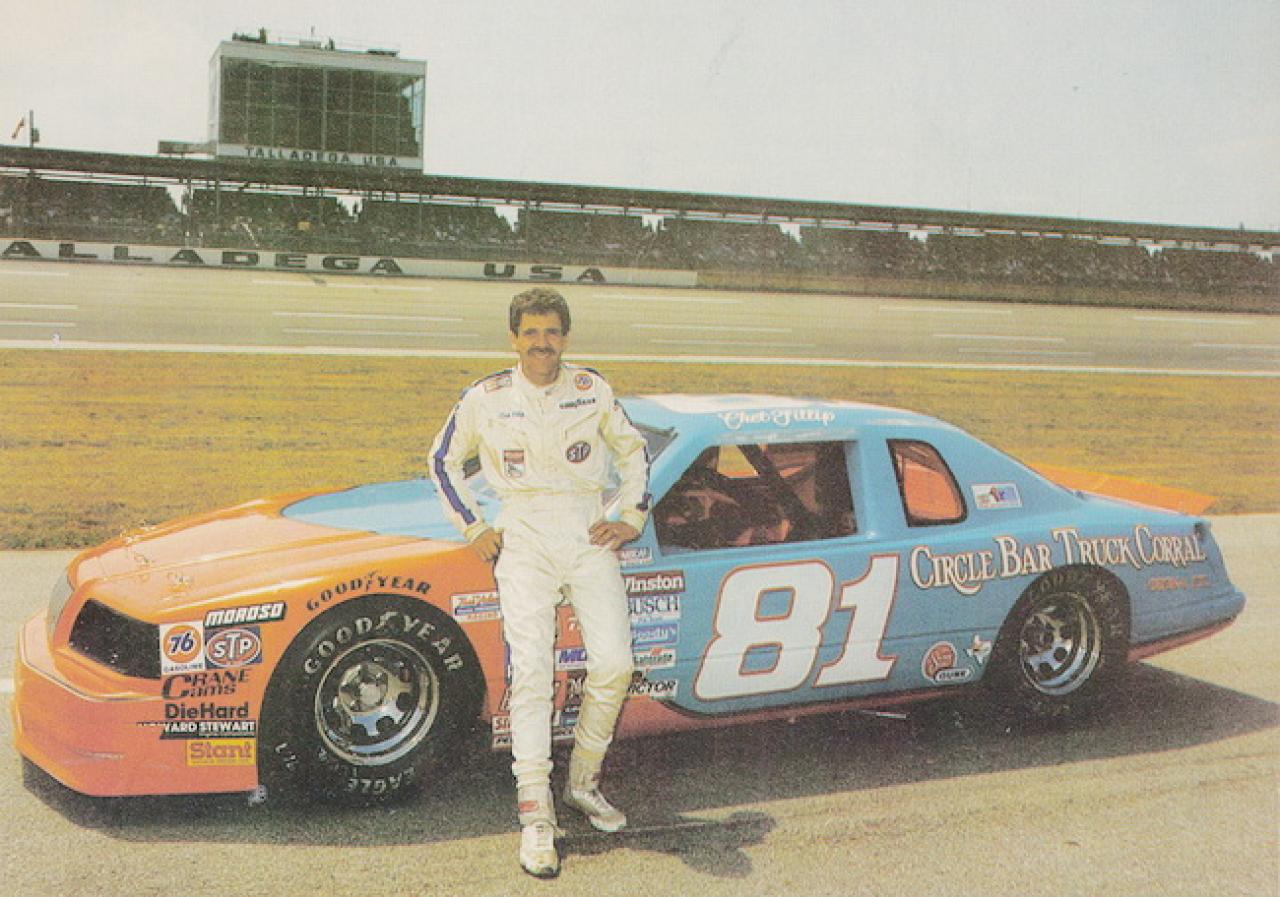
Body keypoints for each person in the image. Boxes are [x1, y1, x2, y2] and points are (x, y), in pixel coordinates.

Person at [429, 287, 650, 878]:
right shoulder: (485, 397)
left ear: (565, 337)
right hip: (522, 534)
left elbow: (633, 452)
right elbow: (441, 461)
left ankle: (583, 782)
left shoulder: (592, 388)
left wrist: (631, 516)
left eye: (552, 332)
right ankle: (536, 814)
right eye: (531, 332)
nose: (542, 343)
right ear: (514, 338)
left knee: (615, 664)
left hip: (585, 530)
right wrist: (474, 525)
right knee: (531, 671)